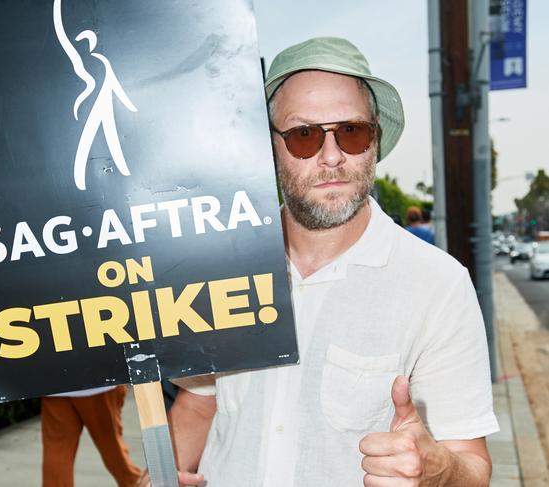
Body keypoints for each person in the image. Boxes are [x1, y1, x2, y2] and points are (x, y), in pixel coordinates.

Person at [148, 37, 498, 487]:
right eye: (304, 135)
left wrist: (438, 470)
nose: (332, 157)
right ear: (268, 147)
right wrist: (159, 475)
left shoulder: (438, 285)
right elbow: (200, 403)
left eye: (351, 131)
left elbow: (471, 464)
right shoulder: (222, 269)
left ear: (374, 139)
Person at [41, 385, 141, 487]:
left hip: (55, 386)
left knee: (57, 452)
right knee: (113, 448)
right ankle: (134, 483)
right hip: (99, 384)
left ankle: (133, 482)